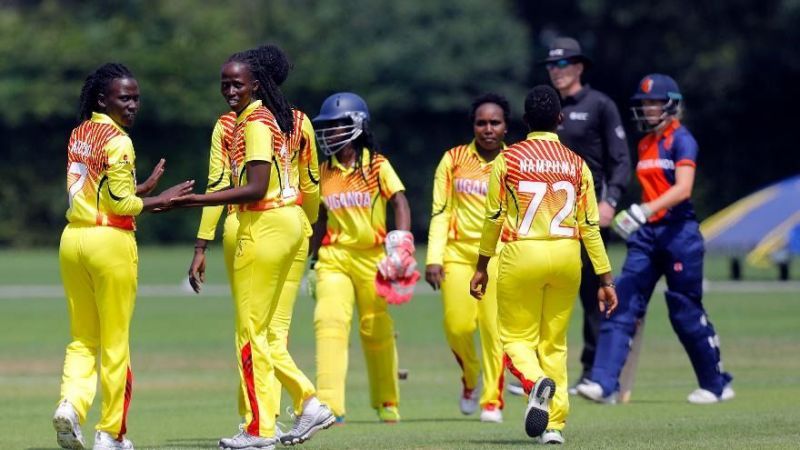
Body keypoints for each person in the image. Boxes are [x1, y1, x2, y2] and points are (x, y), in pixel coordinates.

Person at [171, 46, 324, 450]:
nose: (229, 90)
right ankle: (285, 413)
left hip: (254, 222)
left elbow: (221, 182)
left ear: (258, 82)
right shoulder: (298, 121)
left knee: (250, 332)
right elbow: (310, 182)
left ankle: (261, 426)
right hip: (294, 223)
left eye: (237, 81)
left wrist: (201, 239)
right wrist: (307, 229)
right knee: (274, 334)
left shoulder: (236, 124)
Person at [54, 62, 194, 450]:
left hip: (73, 240)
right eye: (124, 98)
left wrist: (142, 187)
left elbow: (101, 190)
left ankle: (70, 405)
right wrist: (158, 199)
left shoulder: (81, 131)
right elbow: (120, 203)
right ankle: (111, 434)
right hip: (109, 243)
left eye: (136, 98)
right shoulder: (119, 141)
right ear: (103, 99)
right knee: (115, 344)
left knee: (83, 339)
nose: (132, 105)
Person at [469, 85, 618, 445]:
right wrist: (606, 277)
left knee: (515, 339)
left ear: (523, 121)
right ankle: (554, 426)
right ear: (560, 119)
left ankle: (536, 383)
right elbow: (590, 227)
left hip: (523, 252)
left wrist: (481, 265)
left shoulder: (509, 159)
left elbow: (493, 217)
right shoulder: (576, 163)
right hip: (567, 256)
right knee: (555, 343)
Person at [576, 74, 735, 405]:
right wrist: (636, 217)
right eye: (644, 103)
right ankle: (603, 384)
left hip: (679, 234)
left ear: (670, 104)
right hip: (647, 237)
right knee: (621, 302)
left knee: (684, 311)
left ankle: (716, 384)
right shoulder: (645, 144)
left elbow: (683, 189)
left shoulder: (682, 140)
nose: (647, 108)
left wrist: (644, 210)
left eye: (653, 102)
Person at [308, 92, 414, 423]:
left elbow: (399, 202)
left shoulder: (376, 164)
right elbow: (320, 219)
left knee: (375, 328)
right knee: (329, 322)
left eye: (336, 126)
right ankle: (330, 406)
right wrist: (312, 262)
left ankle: (386, 400)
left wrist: (401, 244)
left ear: (357, 126)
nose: (329, 133)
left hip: (372, 257)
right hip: (334, 256)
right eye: (325, 127)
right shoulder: (323, 171)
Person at [425, 93, 509, 423]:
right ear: (473, 125)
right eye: (481, 122)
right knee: (458, 326)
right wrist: (433, 257)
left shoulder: (514, 161)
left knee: (493, 330)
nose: (488, 129)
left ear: (505, 127)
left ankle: (493, 401)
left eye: (495, 123)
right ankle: (471, 377)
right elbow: (441, 211)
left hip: (500, 256)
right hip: (458, 255)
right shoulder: (454, 159)